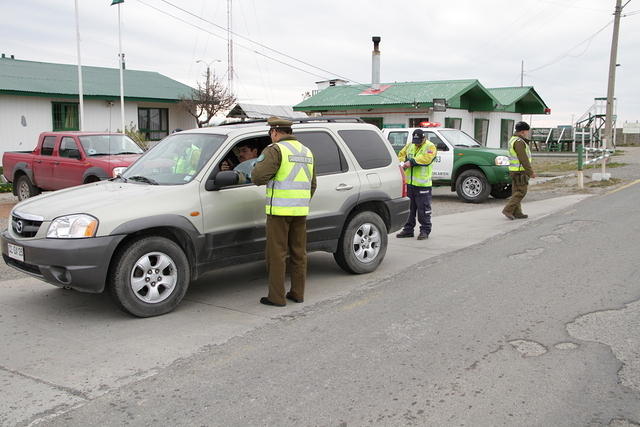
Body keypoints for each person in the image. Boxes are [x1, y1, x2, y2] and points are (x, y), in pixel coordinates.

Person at [252, 117, 317, 307]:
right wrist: (299, 201)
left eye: (270, 133)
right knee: (299, 253)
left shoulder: (275, 150)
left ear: (274, 132)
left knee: (277, 254)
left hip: (279, 211)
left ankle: (276, 297)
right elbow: (312, 184)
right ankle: (297, 293)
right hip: (300, 210)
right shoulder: (307, 151)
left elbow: (257, 177)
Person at [396, 129, 438, 240]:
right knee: (410, 209)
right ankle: (408, 230)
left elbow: (427, 159)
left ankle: (425, 230)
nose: (417, 142)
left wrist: (411, 162)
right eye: (415, 140)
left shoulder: (430, 146)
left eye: (419, 140)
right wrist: (401, 162)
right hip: (409, 184)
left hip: (423, 185)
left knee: (423, 210)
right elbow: (401, 154)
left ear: (424, 138)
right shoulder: (410, 145)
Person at [502, 121, 536, 220]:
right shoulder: (519, 142)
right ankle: (508, 210)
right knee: (521, 191)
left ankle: (517, 212)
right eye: (527, 131)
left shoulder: (513, 140)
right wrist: (531, 172)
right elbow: (523, 159)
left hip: (514, 170)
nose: (527, 133)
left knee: (516, 191)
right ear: (522, 132)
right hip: (520, 171)